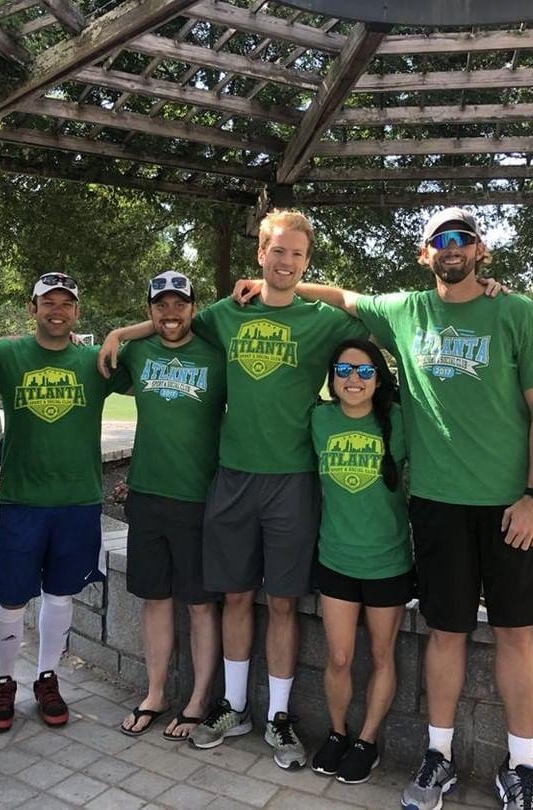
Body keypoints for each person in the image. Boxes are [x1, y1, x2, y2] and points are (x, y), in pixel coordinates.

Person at [246, 207, 533, 810]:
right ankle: (439, 756)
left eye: (462, 238)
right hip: (436, 506)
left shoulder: (516, 311)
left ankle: (521, 767)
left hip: (511, 508)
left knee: (514, 635)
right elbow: (345, 297)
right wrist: (268, 284)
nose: (451, 247)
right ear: (425, 255)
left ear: (481, 251)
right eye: (439, 240)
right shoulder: (405, 311)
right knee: (444, 634)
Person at [101, 210, 370, 770]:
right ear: (260, 255)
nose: (286, 262)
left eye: (297, 254)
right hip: (231, 477)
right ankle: (236, 706)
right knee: (236, 596)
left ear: (307, 260)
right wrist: (124, 331)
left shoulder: (321, 320)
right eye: (277, 252)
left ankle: (279, 716)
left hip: (292, 479)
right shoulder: (227, 314)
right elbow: (175, 322)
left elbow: (374, 316)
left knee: (283, 601)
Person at [0, 273, 118, 732]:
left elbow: (157, 348)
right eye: (48, 302)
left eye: (66, 303)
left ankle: (46, 677)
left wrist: (119, 334)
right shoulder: (5, 354)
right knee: (11, 597)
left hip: (77, 500)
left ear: (77, 311)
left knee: (60, 596)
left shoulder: (94, 360)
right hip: (22, 499)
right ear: (31, 307)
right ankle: (3, 682)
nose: (57, 310)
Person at [114, 271, 225, 741]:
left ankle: (199, 699)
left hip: (198, 499)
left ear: (194, 308)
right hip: (146, 495)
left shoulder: (217, 354)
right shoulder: (137, 353)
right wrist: (120, 335)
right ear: (150, 310)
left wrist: (121, 331)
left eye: (180, 304)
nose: (171, 313)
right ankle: (155, 693)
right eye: (161, 304)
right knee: (155, 599)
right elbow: (99, 366)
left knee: (200, 604)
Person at [309, 339, 413, 786]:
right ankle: (337, 733)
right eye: (345, 371)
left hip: (388, 561)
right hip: (335, 558)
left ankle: (367, 741)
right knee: (338, 656)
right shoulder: (318, 419)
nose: (354, 380)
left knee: (382, 654)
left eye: (365, 372)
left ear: (379, 378)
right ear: (332, 377)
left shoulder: (400, 422)